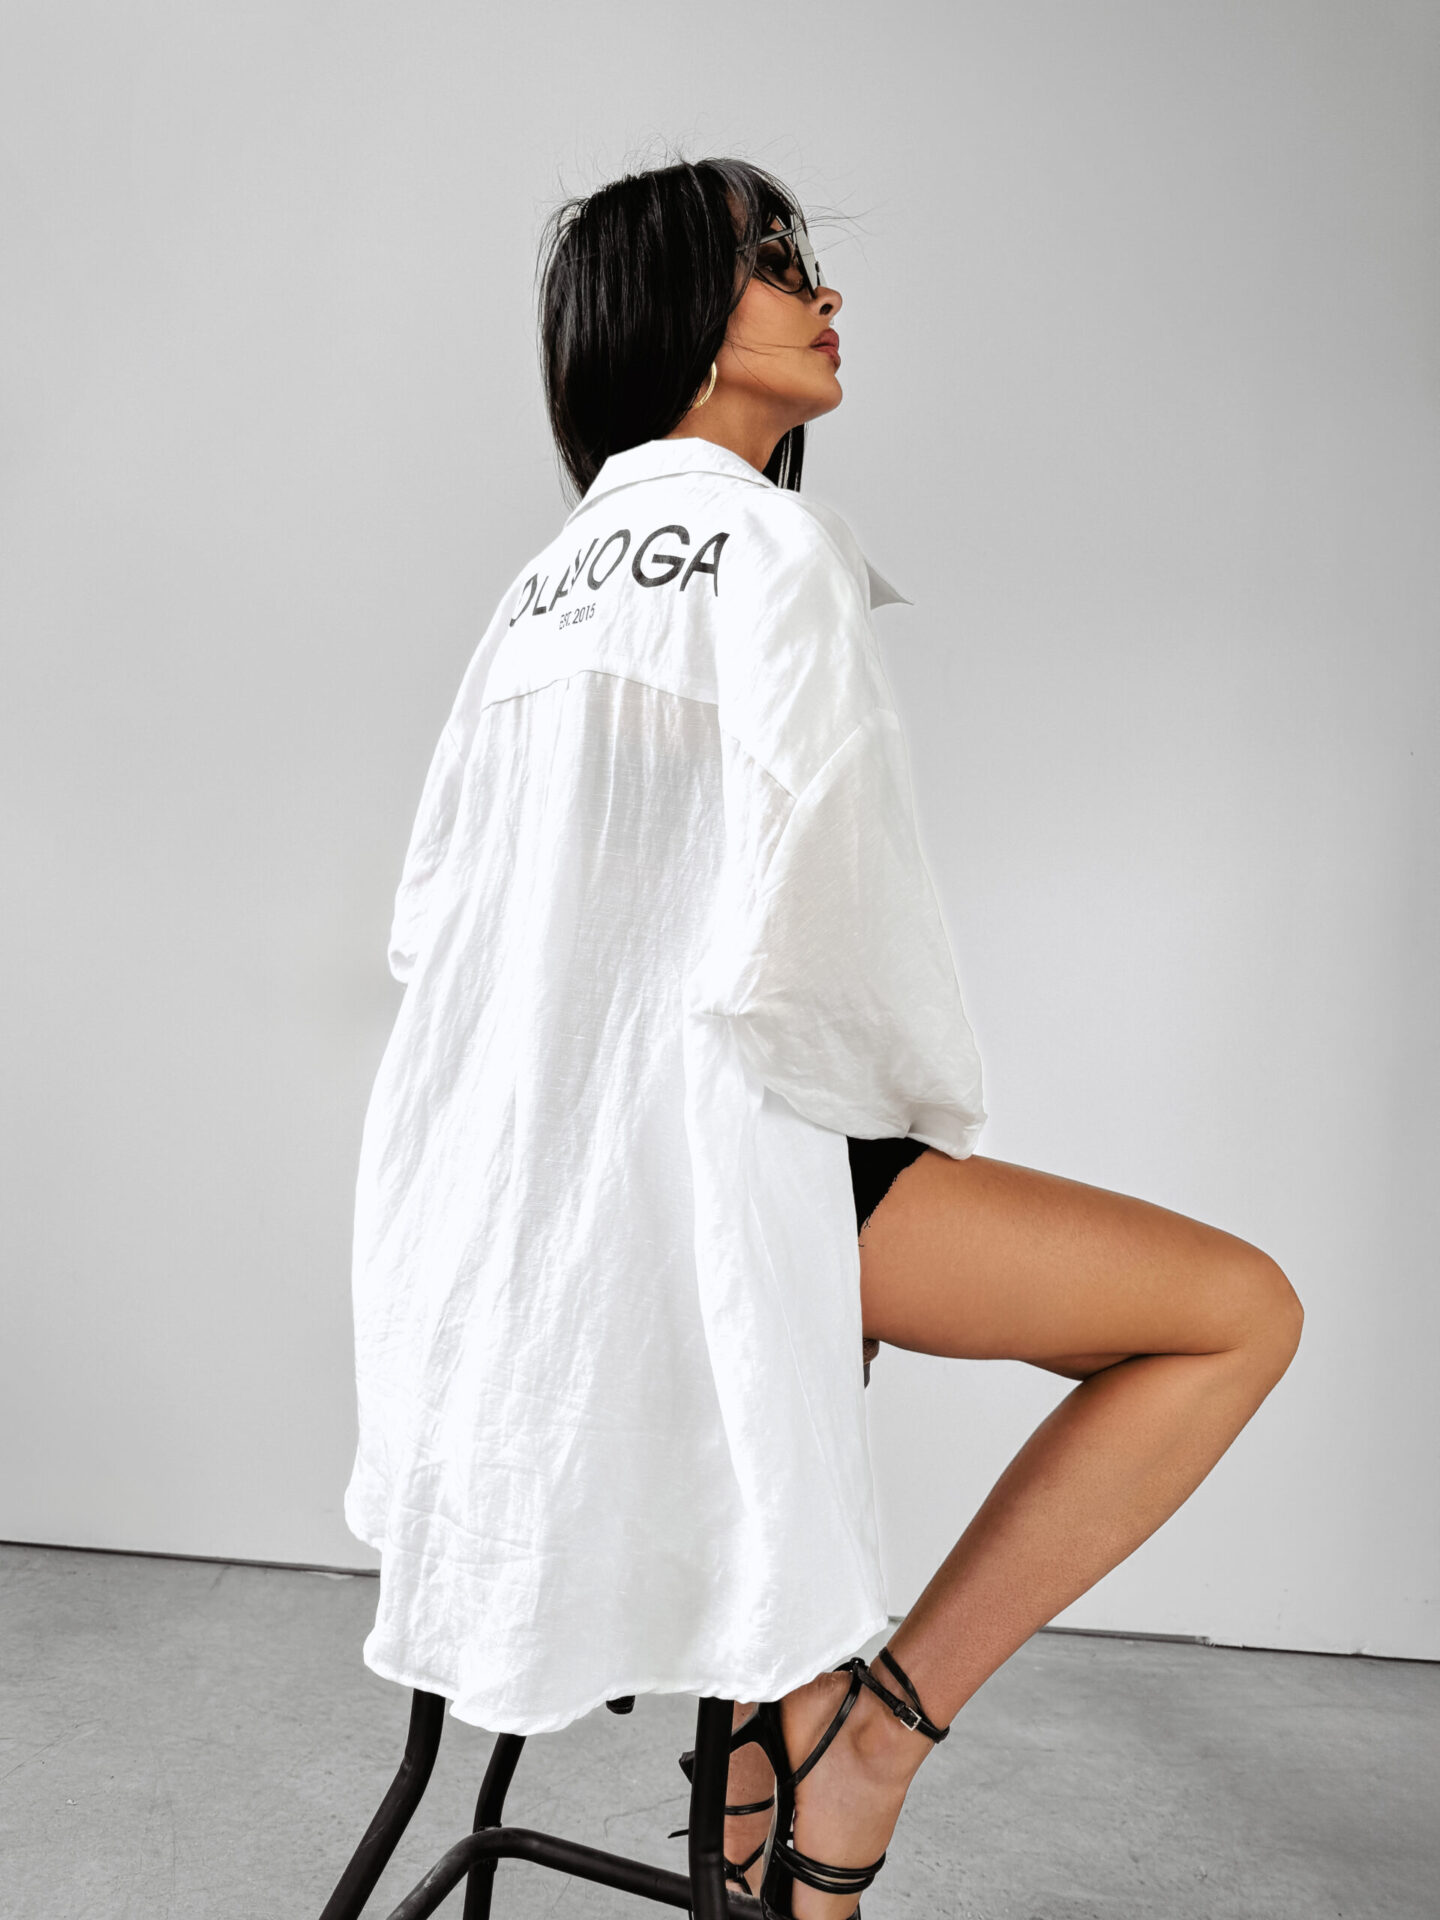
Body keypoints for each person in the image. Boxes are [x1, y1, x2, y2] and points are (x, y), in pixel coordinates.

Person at [344, 157, 1303, 1920]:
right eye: (776, 263)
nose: (823, 293)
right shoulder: (776, 549)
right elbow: (838, 944)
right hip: (701, 1188)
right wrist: (921, 1128)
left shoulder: (536, 590)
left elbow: (428, 929)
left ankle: (751, 1769)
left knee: (800, 1305)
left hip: (499, 1258)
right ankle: (868, 1749)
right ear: (680, 318)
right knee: (1239, 1310)